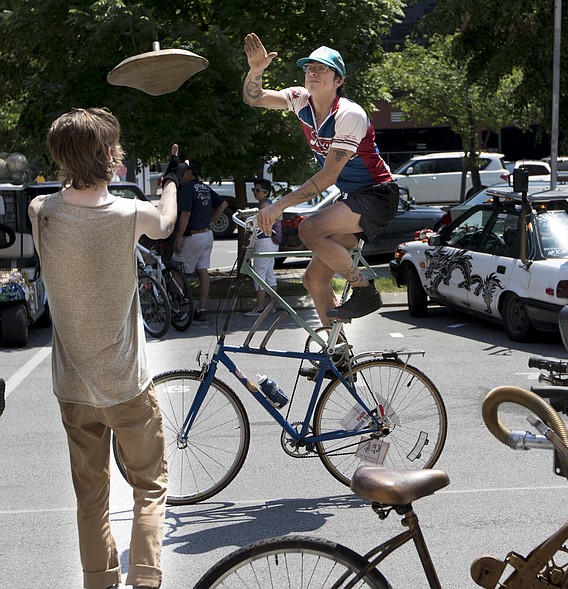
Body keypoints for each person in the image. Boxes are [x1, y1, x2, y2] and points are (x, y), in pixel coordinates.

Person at [28, 107, 180, 589]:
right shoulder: (130, 214)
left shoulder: (41, 213)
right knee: (149, 487)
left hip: (73, 386)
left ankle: (100, 581)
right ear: (111, 155)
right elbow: (166, 224)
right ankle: (147, 581)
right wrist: (171, 184)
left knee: (91, 497)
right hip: (127, 384)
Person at [242, 34, 399, 324]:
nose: (312, 73)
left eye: (321, 69)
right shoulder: (300, 100)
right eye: (309, 68)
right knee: (313, 280)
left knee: (309, 229)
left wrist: (279, 206)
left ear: (338, 80)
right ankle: (336, 356)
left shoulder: (349, 114)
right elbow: (254, 99)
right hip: (354, 198)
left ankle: (364, 289)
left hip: (378, 194)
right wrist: (256, 71)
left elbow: (328, 176)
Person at [171, 160, 228, 322]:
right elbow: (223, 204)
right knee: (202, 271)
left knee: (177, 271)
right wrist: (210, 221)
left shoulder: (187, 189)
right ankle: (201, 308)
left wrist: (178, 238)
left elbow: (185, 214)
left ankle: (176, 309)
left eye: (182, 173)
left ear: (189, 172)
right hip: (207, 234)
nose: (180, 177)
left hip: (193, 236)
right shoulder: (204, 187)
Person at [247, 178, 282, 316]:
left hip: (264, 241)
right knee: (268, 273)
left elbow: (258, 225)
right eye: (253, 190)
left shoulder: (264, 206)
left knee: (258, 274)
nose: (255, 193)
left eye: (257, 190)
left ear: (266, 192)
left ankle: (260, 307)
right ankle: (273, 304)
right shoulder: (271, 204)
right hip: (272, 242)